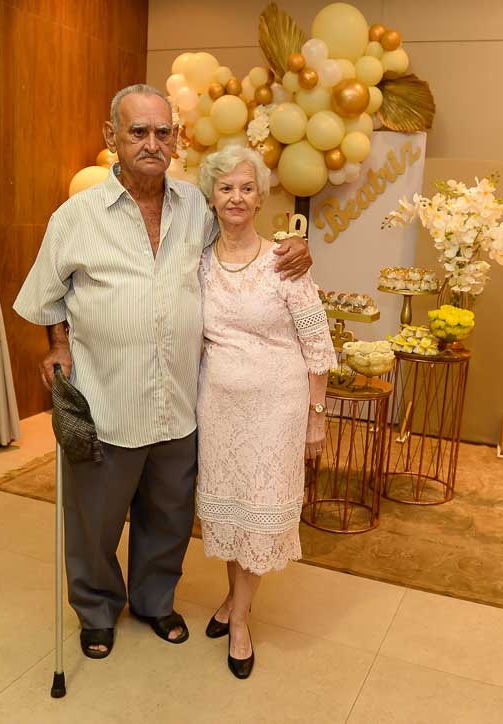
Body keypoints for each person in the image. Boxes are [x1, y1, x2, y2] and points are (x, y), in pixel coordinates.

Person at [12, 85, 311, 659]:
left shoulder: (196, 206)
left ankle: (153, 601)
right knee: (95, 520)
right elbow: (46, 295)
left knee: (168, 517)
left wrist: (294, 249)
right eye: (138, 132)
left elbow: (240, 247)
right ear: (112, 137)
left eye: (162, 132)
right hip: (108, 398)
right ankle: (97, 609)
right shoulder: (75, 218)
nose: (152, 143)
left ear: (175, 140)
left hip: (178, 401)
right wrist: (57, 344)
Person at [196, 146, 336, 679]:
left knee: (261, 510)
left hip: (277, 409)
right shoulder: (198, 261)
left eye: (246, 187)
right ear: (212, 197)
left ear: (260, 199)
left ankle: (240, 620)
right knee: (232, 511)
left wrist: (316, 415)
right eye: (226, 187)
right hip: (219, 408)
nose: (236, 197)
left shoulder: (285, 261)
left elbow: (317, 342)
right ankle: (233, 600)